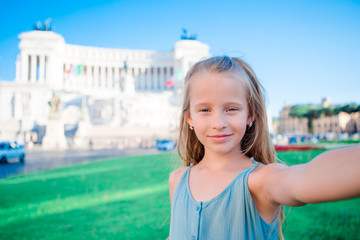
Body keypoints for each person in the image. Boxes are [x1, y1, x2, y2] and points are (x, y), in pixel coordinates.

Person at [168, 56, 360, 240]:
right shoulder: (177, 180)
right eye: (204, 110)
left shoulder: (261, 181)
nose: (218, 123)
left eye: (232, 109)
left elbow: (308, 177)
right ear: (189, 118)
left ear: (250, 114)